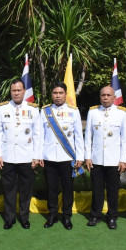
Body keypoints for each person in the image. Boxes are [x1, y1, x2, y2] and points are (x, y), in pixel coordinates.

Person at [0, 79, 41, 230]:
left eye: (19, 90)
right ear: (10, 91)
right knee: (9, 190)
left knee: (26, 190)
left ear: (24, 91)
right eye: (13, 90)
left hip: (27, 157)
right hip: (7, 157)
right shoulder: (2, 109)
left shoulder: (33, 109)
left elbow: (38, 134)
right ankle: (9, 218)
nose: (16, 93)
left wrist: (36, 156)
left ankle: (24, 218)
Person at [84, 86, 126, 229]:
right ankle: (95, 215)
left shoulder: (122, 114)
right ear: (100, 97)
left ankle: (112, 217)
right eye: (103, 95)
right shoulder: (93, 112)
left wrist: (123, 159)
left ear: (114, 97)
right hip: (97, 159)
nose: (105, 98)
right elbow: (88, 137)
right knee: (96, 189)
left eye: (108, 95)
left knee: (113, 191)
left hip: (114, 160)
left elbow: (125, 139)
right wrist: (87, 156)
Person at [39, 82, 83, 230]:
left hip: (67, 158)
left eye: (60, 93)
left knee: (67, 188)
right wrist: (39, 156)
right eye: (55, 93)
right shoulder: (45, 112)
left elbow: (78, 136)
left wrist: (80, 156)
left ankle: (66, 216)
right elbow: (40, 136)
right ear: (51, 95)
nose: (58, 96)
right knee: (51, 188)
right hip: (49, 158)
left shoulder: (74, 111)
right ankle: (52, 214)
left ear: (65, 94)